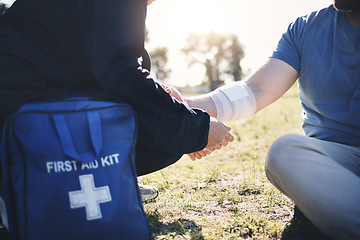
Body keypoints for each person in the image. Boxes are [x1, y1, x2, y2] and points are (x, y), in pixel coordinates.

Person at [0, 0, 234, 233]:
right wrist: (196, 129)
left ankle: (110, 181)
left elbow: (95, 68)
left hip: (28, 105)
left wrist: (165, 103)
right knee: (165, 141)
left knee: (162, 132)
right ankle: (19, 190)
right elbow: (120, 73)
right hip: (19, 122)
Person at [168, 1, 360, 239]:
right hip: (331, 157)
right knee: (283, 152)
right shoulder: (305, 29)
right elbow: (254, 90)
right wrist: (177, 107)